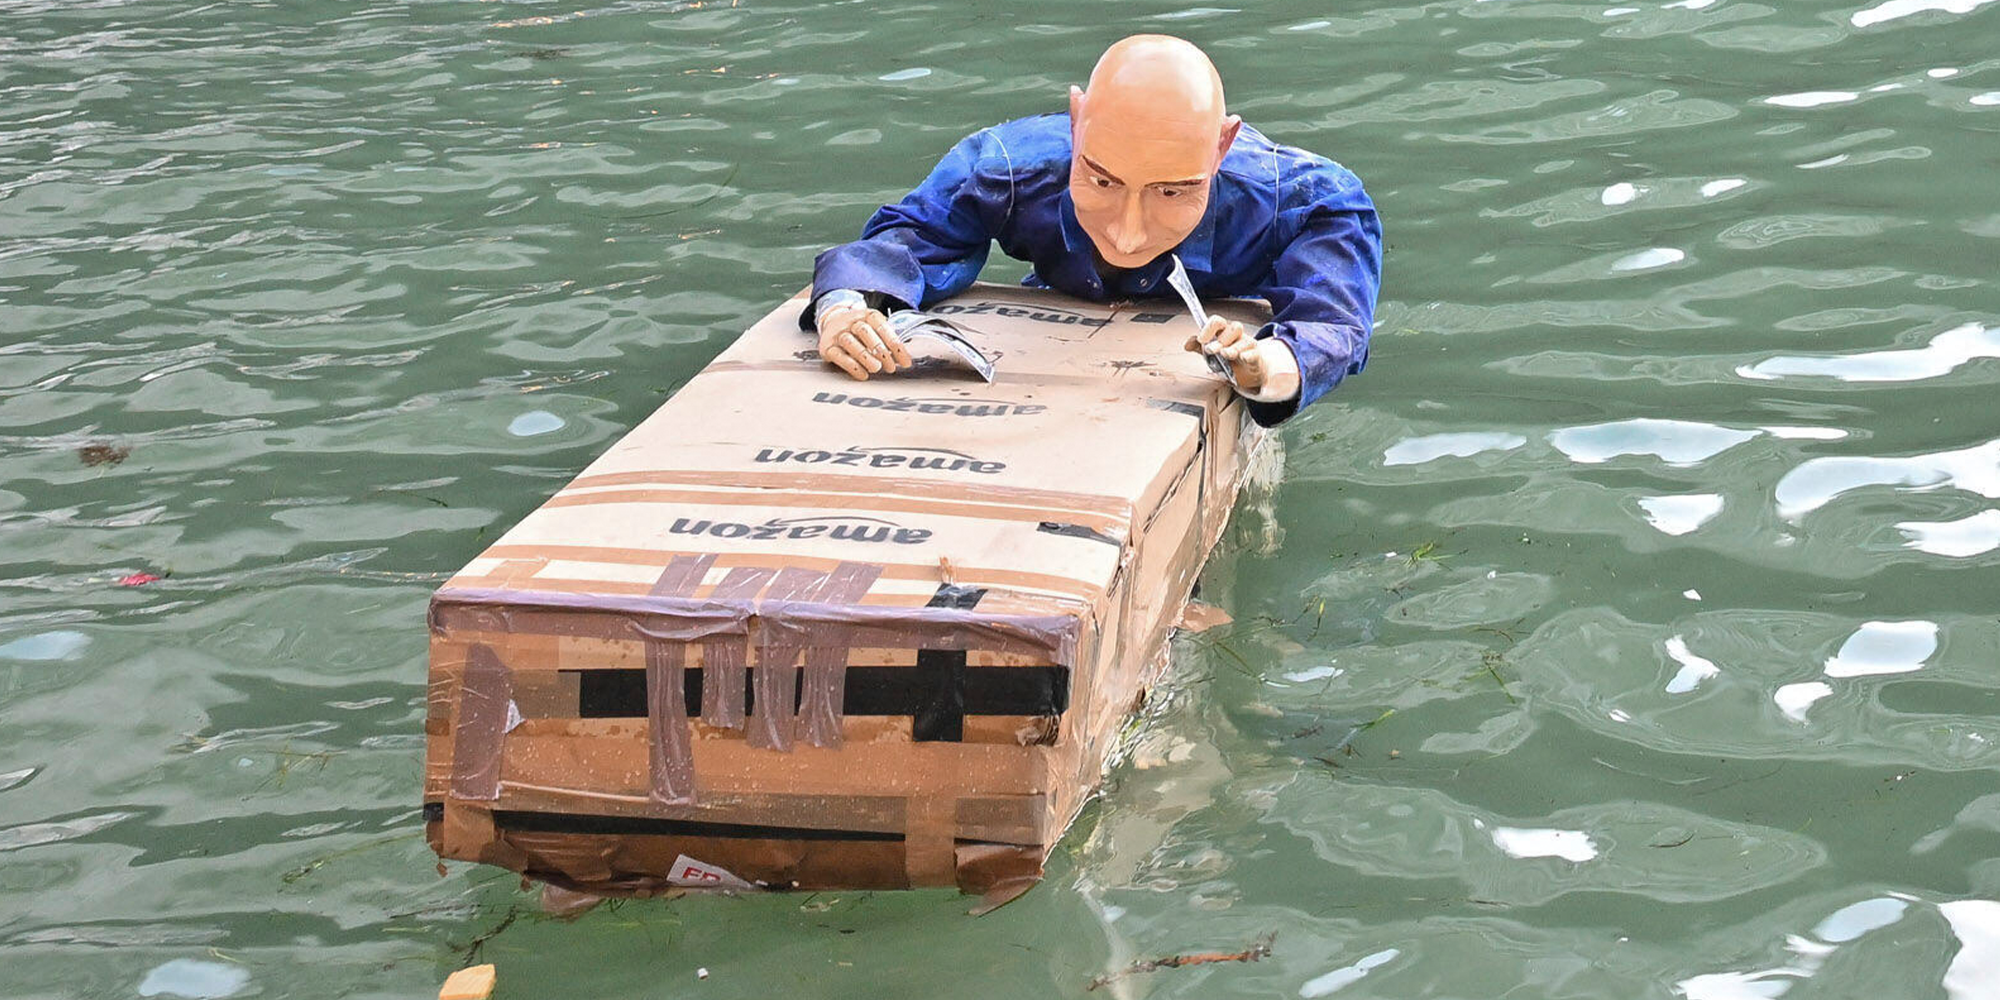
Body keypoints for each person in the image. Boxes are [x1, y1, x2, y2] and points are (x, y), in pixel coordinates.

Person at [804, 34, 1382, 427]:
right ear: (1076, 123)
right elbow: (908, 238)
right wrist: (846, 310)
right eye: (1101, 181)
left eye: (1172, 192)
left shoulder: (1312, 201)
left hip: (1215, 335)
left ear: (1223, 147)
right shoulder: (1007, 168)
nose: (1128, 236)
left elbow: (1332, 326)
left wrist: (1264, 366)